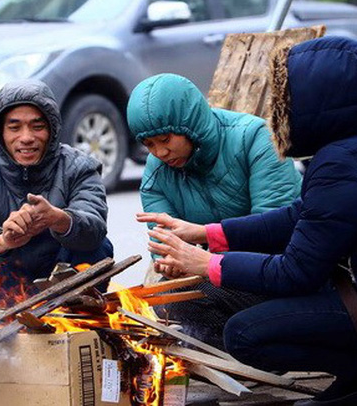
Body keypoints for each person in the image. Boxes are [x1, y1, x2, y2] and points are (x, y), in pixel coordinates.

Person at [140, 37, 357, 406]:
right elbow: (299, 216)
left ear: (320, 100)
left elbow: (296, 272)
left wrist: (206, 263)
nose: (282, 108)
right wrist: (206, 233)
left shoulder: (343, 162)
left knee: (246, 334)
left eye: (286, 98)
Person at [127, 73, 301, 348]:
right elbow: (166, 246)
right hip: (218, 275)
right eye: (148, 145)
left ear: (188, 123)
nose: (159, 152)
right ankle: (244, 352)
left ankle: (266, 350)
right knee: (165, 301)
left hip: (280, 271)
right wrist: (171, 265)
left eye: (164, 139)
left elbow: (274, 231)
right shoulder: (155, 174)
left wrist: (206, 258)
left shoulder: (256, 138)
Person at [0, 79, 113, 311]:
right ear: (0, 132)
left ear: (52, 130)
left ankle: (77, 324)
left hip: (61, 276)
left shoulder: (80, 168)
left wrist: (59, 219)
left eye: (37, 126)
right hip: (7, 277)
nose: (26, 137)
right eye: (14, 127)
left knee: (98, 247)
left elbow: (94, 225)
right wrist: (2, 240)